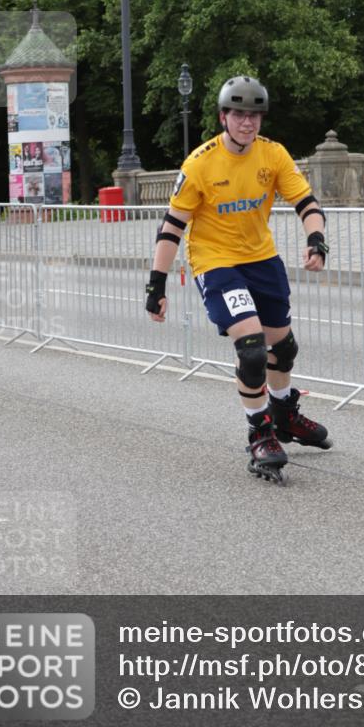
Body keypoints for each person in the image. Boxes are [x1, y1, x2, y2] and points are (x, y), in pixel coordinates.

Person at [146, 75, 332, 483]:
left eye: (254, 116)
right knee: (251, 350)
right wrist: (156, 285)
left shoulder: (273, 154)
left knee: (283, 348)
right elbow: (172, 227)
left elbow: (306, 202)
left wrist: (316, 239)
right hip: (216, 262)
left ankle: (284, 414)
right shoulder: (200, 163)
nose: (247, 122)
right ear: (223, 117)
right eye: (239, 115)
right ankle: (260, 433)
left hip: (262, 259)